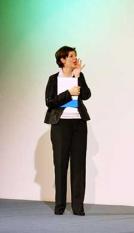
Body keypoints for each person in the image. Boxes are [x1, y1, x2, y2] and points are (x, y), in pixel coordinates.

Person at [44, 46, 91, 216]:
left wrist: (78, 77)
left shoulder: (78, 76)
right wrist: (68, 93)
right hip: (60, 126)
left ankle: (78, 207)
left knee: (79, 166)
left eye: (75, 55)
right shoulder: (53, 79)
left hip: (78, 124)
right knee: (61, 165)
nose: (75, 58)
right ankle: (60, 206)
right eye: (71, 56)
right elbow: (49, 102)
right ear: (62, 60)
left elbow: (86, 95)